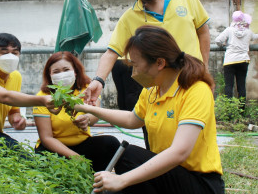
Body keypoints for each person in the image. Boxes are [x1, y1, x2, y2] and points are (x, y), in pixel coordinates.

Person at [75, 26, 224, 194]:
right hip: (169, 175)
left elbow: (180, 152)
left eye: (136, 65)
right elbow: (132, 119)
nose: (133, 72)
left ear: (160, 63)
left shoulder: (195, 90)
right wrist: (89, 109)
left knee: (129, 157)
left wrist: (121, 180)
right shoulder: (152, 90)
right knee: (119, 153)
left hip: (200, 183)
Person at [86, 0, 211, 111]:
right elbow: (112, 52)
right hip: (159, 92)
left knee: (197, 130)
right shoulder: (129, 18)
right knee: (158, 133)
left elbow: (203, 32)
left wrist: (205, 68)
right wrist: (98, 80)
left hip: (193, 82)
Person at [33, 51, 120, 172]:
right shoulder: (44, 97)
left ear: (75, 71)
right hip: (54, 148)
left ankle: (101, 180)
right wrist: (75, 157)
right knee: (47, 160)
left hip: (83, 144)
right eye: (56, 72)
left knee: (110, 143)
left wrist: (87, 119)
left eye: (66, 69)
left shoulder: (87, 89)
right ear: (49, 75)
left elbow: (95, 114)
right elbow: (46, 138)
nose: (62, 75)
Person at [215, 11, 258, 106]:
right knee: (241, 86)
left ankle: (229, 110)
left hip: (230, 61)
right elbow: (255, 36)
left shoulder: (229, 30)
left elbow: (217, 40)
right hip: (243, 60)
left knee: (229, 86)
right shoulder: (248, 32)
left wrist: (223, 44)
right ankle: (241, 110)